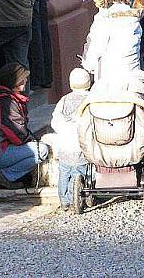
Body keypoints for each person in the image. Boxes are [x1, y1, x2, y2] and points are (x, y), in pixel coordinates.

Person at [0, 62, 49, 189]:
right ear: (15, 82)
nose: (26, 80)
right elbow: (16, 132)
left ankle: (6, 175)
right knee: (41, 151)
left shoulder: (7, 99)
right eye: (23, 78)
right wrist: (34, 141)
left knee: (37, 148)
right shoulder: (6, 103)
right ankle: (5, 176)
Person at [80, 0, 142, 82]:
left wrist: (87, 65)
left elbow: (91, 61)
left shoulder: (101, 23)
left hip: (109, 81)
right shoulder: (133, 20)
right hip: (133, 78)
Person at [51, 67, 91, 210]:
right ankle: (75, 198)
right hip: (80, 144)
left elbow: (55, 121)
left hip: (65, 145)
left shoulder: (64, 100)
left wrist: (62, 130)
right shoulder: (90, 99)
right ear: (89, 83)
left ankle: (64, 200)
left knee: (64, 173)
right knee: (78, 172)